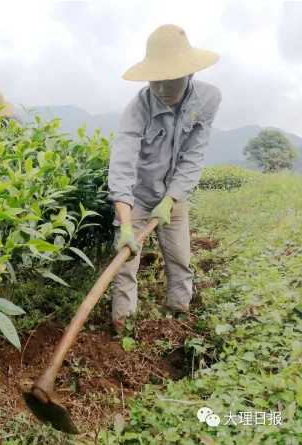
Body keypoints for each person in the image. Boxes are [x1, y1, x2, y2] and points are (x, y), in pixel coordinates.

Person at [107, 24, 222, 335]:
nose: (161, 89)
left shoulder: (208, 100)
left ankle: (179, 314)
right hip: (138, 195)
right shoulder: (138, 108)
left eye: (169, 80)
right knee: (125, 264)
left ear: (190, 75)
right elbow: (122, 164)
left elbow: (194, 156)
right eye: (154, 81)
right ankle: (123, 330)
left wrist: (170, 200)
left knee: (180, 259)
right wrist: (126, 223)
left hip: (175, 193)